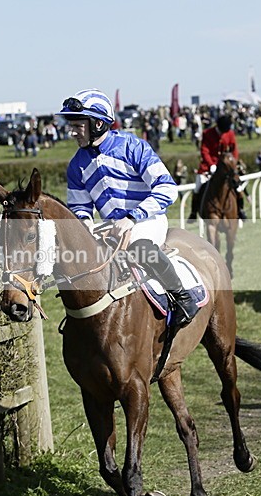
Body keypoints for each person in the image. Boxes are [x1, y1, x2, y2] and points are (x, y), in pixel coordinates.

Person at [59, 88, 198, 326]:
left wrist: (132, 218)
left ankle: (183, 298)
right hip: (110, 226)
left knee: (140, 247)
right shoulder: (76, 165)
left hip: (147, 220)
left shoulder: (133, 147)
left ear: (98, 124)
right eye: (70, 125)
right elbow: (80, 206)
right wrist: (87, 225)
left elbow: (167, 188)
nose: (72, 132)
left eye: (77, 125)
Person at [187, 114, 246, 222]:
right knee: (198, 186)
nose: (224, 134)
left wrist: (233, 163)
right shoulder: (207, 133)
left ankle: (241, 210)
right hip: (208, 166)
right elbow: (204, 151)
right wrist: (211, 165)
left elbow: (235, 151)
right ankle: (193, 212)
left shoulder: (230, 134)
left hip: (227, 167)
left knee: (238, 187)